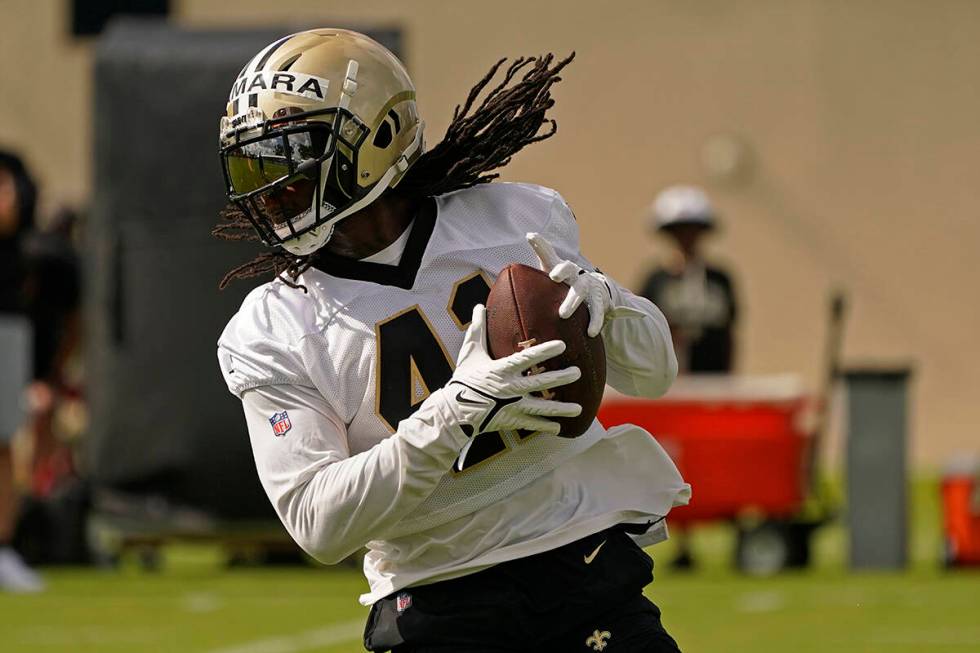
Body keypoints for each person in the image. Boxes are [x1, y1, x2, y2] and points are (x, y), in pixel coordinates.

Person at [214, 29, 690, 652]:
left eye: (291, 160)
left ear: (376, 141)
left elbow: (655, 373)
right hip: (435, 602)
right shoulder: (273, 327)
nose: (271, 189)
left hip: (581, 561)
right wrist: (455, 413)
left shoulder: (512, 221)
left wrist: (613, 305)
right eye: (256, 164)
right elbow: (317, 524)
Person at [638, 185, 739, 569]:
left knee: (716, 456)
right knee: (676, 460)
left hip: (712, 384)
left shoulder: (720, 279)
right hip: (672, 389)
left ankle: (729, 530)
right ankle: (683, 542)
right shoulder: (656, 281)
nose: (686, 238)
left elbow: (731, 331)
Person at [0, 150, 44, 592]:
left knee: (4, 442)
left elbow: (12, 217)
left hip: (5, 325)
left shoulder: (11, 165)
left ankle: (3, 549)